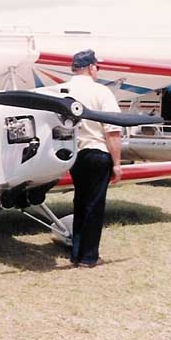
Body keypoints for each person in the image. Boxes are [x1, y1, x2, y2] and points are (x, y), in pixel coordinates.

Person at [64, 49, 122, 268]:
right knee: (94, 206)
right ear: (91, 67)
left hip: (73, 156)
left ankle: (76, 253)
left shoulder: (63, 91)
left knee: (80, 202)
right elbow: (112, 131)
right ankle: (89, 257)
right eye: (97, 67)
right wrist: (117, 164)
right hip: (97, 152)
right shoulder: (101, 92)